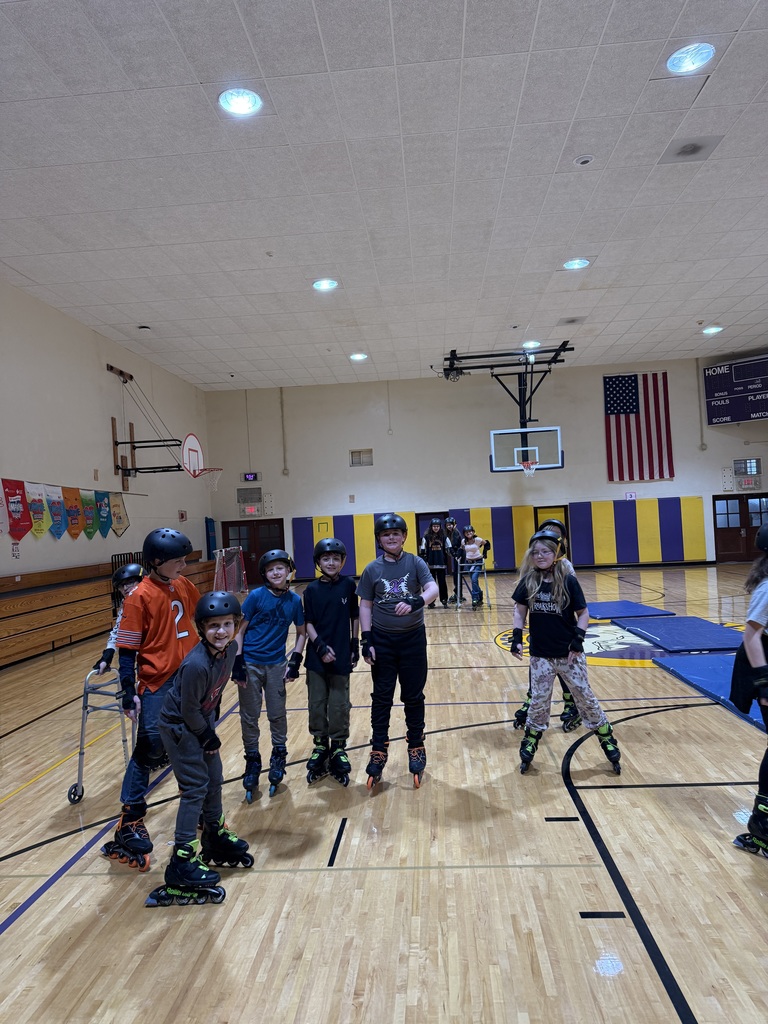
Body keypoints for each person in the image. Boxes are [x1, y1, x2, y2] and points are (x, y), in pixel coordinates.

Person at [147, 591, 253, 907]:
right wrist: (207, 735)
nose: (220, 632)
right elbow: (190, 708)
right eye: (213, 626)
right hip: (180, 726)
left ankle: (214, 834)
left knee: (215, 778)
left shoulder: (231, 649)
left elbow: (215, 694)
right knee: (195, 788)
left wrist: (238, 670)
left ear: (235, 626)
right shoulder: (196, 664)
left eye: (226, 624)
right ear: (201, 629)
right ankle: (182, 860)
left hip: (200, 721)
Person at [101, 528, 197, 871]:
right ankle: (130, 817)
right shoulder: (138, 596)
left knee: (193, 742)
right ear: (156, 562)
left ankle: (197, 808)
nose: (183, 566)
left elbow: (199, 619)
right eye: (177, 561)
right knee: (151, 745)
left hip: (190, 679)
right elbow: (126, 650)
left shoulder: (183, 585)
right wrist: (129, 693)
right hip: (158, 682)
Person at [508, 531, 621, 775]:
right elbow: (519, 611)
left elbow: (584, 614)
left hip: (568, 654)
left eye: (545, 552)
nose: (540, 556)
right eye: (535, 552)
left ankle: (606, 736)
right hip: (540, 655)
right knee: (538, 700)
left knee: (584, 697)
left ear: (556, 554)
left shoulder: (568, 581)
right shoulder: (529, 580)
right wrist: (517, 637)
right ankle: (530, 739)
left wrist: (578, 640)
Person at [357, 513, 439, 789]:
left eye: (396, 533)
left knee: (413, 695)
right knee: (381, 697)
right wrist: (366, 639)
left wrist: (418, 600)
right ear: (379, 539)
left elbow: (433, 588)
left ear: (404, 536)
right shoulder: (372, 569)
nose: (391, 537)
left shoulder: (415, 562)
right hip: (382, 641)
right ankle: (378, 748)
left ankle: (416, 744)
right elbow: (366, 604)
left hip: (413, 639)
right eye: (385, 534)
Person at [232, 549, 306, 800]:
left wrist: (295, 660)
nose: (276, 572)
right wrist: (238, 660)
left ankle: (278, 755)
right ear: (264, 574)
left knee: (277, 714)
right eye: (271, 569)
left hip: (276, 665)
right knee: (249, 716)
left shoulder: (294, 601)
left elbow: (302, 632)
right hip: (251, 664)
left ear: (289, 571)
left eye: (280, 568)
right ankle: (252, 759)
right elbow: (240, 631)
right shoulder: (256, 597)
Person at [303, 538, 360, 787]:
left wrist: (355, 644)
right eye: (326, 559)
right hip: (317, 655)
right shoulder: (311, 590)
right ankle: (320, 744)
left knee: (339, 704)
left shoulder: (349, 585)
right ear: (318, 562)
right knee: (317, 703)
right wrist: (320, 646)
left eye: (336, 559)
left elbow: (355, 616)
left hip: (341, 654)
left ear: (342, 561)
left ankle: (338, 746)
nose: (331, 562)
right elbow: (308, 622)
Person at [513, 521, 579, 731]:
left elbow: (573, 600)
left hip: (562, 627)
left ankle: (572, 703)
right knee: (539, 669)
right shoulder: (533, 566)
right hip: (541, 627)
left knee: (565, 669)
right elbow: (523, 599)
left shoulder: (565, 567)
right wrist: (518, 630)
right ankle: (534, 699)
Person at [731, 524, 768, 858]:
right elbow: (751, 636)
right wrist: (763, 682)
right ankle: (762, 825)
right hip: (762, 669)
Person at [92, 563, 146, 675]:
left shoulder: (154, 600)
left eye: (130, 582)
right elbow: (118, 630)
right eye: (121, 586)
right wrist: (108, 654)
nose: (125, 588)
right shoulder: (126, 604)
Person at [419, 518, 449, 607]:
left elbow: (449, 548)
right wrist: (424, 560)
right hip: (430, 564)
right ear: (431, 527)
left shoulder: (444, 537)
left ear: (440, 527)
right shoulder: (426, 537)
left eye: (437, 526)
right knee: (430, 585)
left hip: (441, 564)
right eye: (434, 526)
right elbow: (423, 550)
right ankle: (430, 602)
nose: (436, 528)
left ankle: (444, 600)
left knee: (442, 583)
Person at [460, 524, 486, 609]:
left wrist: (485, 552)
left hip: (478, 561)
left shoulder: (477, 540)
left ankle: (474, 598)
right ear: (464, 534)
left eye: (470, 531)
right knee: (474, 581)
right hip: (469, 563)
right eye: (467, 532)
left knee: (474, 579)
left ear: (473, 532)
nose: (469, 533)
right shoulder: (463, 541)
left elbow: (486, 543)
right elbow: (462, 549)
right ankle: (480, 596)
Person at [444, 516, 463, 603]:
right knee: (456, 575)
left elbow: (455, 545)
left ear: (454, 525)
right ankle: (458, 594)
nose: (449, 526)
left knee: (457, 575)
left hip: (459, 555)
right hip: (456, 555)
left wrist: (452, 551)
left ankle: (458, 595)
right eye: (447, 525)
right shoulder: (450, 533)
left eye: (450, 525)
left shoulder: (455, 532)